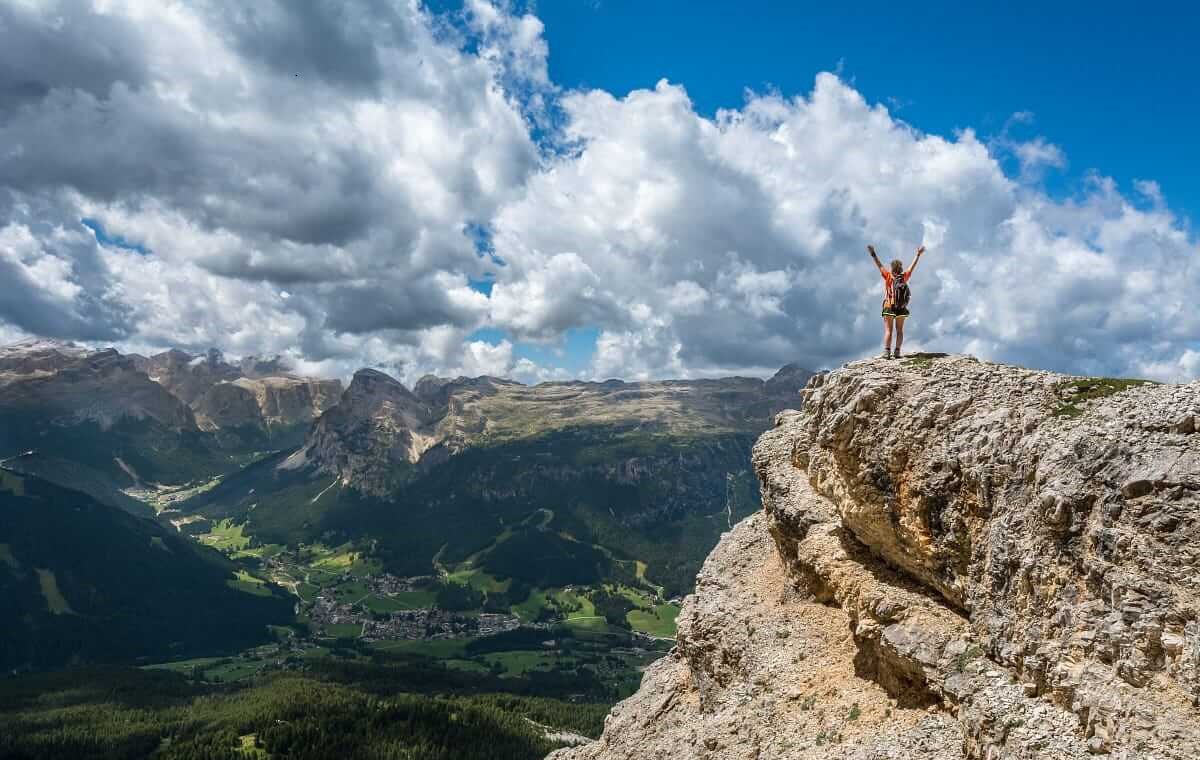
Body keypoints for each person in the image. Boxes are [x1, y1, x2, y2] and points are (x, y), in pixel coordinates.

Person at [868, 244, 924, 359]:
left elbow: (879, 265)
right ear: (901, 268)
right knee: (899, 330)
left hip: (889, 306)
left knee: (888, 330)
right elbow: (912, 267)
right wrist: (918, 255)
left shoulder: (888, 276)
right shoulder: (904, 277)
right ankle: (897, 351)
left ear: (892, 269)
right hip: (901, 308)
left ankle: (887, 352)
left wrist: (873, 254)